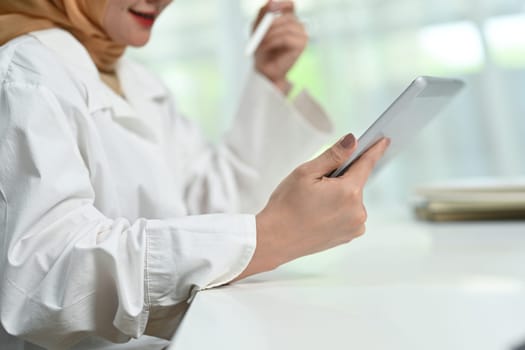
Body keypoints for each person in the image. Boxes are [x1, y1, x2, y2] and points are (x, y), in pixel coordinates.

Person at [0, 0, 389, 349]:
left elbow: (207, 206)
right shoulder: (24, 74)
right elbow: (41, 279)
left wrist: (269, 77)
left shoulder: (135, 77)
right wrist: (271, 235)